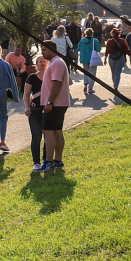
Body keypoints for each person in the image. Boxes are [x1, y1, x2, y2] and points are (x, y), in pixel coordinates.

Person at [36, 39, 70, 174]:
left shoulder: (57, 63)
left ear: (51, 50)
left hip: (55, 104)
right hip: (56, 103)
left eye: (44, 49)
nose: (42, 52)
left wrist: (49, 102)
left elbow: (56, 84)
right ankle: (57, 160)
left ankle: (49, 161)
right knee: (56, 131)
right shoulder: (55, 63)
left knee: (48, 131)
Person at [24, 54, 47, 168]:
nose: (42, 64)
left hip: (48, 110)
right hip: (35, 110)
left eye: (44, 61)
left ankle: (46, 160)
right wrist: (27, 107)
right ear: (36, 65)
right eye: (40, 62)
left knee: (48, 136)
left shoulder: (51, 76)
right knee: (36, 136)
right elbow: (26, 94)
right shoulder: (32, 77)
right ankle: (36, 162)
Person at [103, 29, 129, 96]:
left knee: (113, 72)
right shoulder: (122, 41)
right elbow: (127, 49)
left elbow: (107, 50)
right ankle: (116, 86)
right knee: (118, 72)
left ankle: (115, 84)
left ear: (113, 34)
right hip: (120, 58)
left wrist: (105, 58)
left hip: (111, 58)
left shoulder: (109, 41)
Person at [77, 27, 99, 97]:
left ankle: (85, 85)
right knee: (92, 73)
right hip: (92, 58)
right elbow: (99, 48)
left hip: (84, 58)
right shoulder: (94, 40)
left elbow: (79, 49)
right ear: (92, 33)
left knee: (86, 72)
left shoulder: (82, 41)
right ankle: (90, 88)